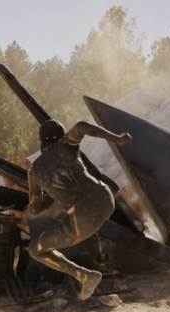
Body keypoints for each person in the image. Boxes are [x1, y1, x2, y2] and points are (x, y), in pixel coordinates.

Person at [26, 119, 131, 300]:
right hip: (104, 199)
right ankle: (88, 276)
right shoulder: (66, 146)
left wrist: (45, 201)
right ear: (60, 136)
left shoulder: (34, 171)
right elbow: (82, 126)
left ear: (42, 140)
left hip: (81, 218)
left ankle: (86, 276)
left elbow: (35, 208)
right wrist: (117, 138)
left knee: (35, 249)